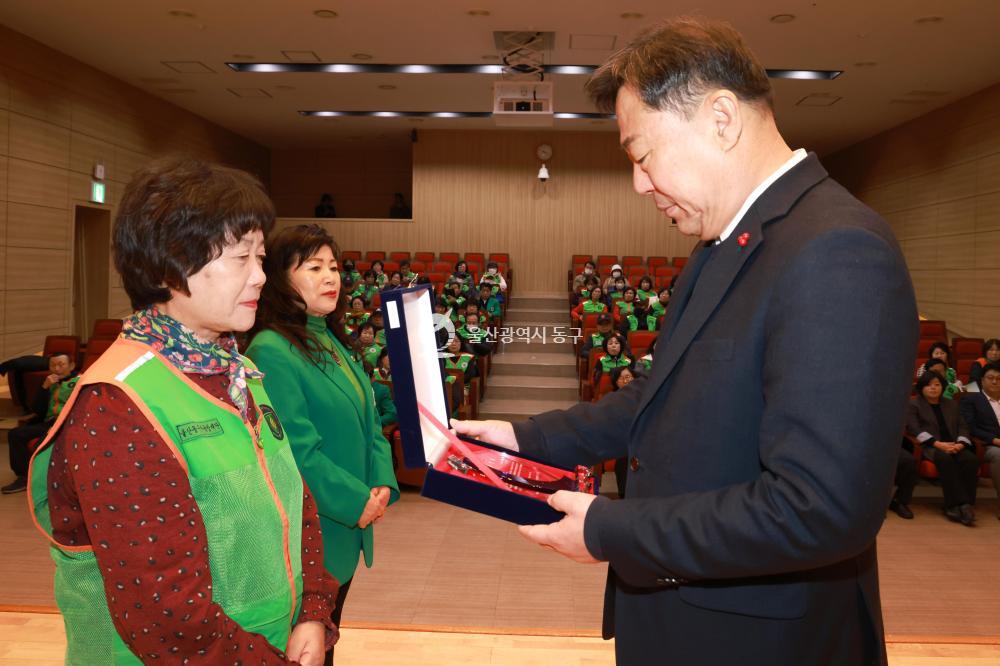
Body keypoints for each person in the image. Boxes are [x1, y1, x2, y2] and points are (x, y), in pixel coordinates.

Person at [452, 16, 917, 666]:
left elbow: (819, 509)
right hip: (689, 625)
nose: (640, 184)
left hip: (762, 643)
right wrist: (527, 439)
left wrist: (612, 529)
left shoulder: (836, 250)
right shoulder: (722, 245)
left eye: (642, 155)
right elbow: (663, 395)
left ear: (721, 120)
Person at [27, 157, 338, 664]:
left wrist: (312, 610)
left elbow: (293, 499)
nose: (260, 276)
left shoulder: (236, 372)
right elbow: (167, 619)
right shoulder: (116, 406)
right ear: (169, 265)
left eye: (261, 257)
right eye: (242, 257)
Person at [246, 224, 400, 665]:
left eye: (333, 266)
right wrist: (356, 501)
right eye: (314, 267)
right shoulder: (271, 349)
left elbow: (370, 420)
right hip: (311, 535)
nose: (331, 277)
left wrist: (381, 482)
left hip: (345, 528)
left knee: (323, 645)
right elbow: (295, 452)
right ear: (280, 278)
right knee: (305, 650)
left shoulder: (331, 338)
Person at [906, 371, 978, 525]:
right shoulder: (914, 404)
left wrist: (961, 444)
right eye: (928, 385)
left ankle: (963, 505)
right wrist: (938, 444)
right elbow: (914, 428)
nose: (933, 388)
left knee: (970, 459)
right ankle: (958, 505)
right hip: (932, 446)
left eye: (937, 384)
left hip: (954, 445)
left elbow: (963, 426)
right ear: (921, 388)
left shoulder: (951, 404)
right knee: (945, 459)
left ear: (942, 387)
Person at [2, 354, 79, 494]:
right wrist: (44, 387)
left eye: (61, 365)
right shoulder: (49, 383)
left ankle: (48, 480)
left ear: (71, 366)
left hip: (67, 424)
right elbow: (37, 410)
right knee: (15, 434)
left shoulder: (79, 382)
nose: (57, 369)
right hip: (49, 423)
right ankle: (23, 477)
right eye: (53, 365)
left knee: (41, 445)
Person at [959, 361, 1000, 519]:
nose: (995, 381)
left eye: (999, 378)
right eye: (991, 378)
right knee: (998, 455)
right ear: (982, 380)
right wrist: (994, 440)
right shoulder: (971, 399)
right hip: (988, 445)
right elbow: (970, 427)